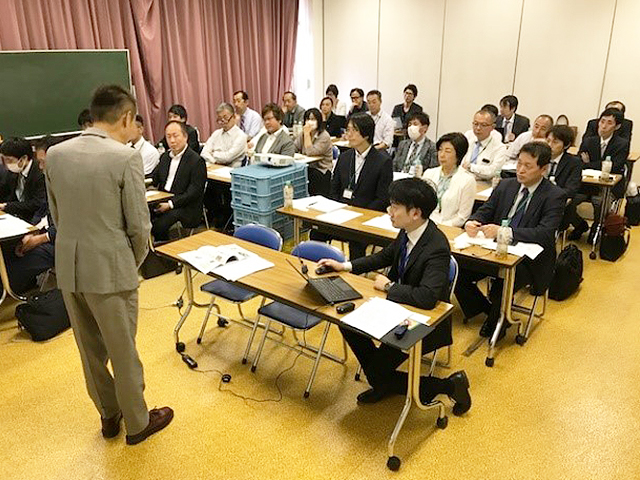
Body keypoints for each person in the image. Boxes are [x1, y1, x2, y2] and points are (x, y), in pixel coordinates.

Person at [45, 84, 173, 445]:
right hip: (111, 267)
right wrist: (128, 263)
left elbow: (56, 214)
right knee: (122, 350)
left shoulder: (55, 154)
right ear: (127, 117)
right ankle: (137, 422)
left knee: (89, 351)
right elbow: (138, 226)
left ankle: (108, 415)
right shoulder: (124, 157)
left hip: (69, 267)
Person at [317, 178, 471, 412]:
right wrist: (345, 266)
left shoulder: (436, 246)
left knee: (378, 371)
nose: (390, 211)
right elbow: (384, 257)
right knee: (346, 322)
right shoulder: (408, 231)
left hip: (423, 321)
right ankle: (383, 381)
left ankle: (449, 386)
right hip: (397, 309)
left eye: (395, 207)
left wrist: (389, 287)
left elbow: (428, 297)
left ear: (415, 213)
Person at [455, 142, 566, 340]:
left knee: (502, 283)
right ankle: (489, 311)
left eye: (528, 166)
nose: (521, 170)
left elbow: (545, 233)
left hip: (529, 258)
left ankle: (498, 320)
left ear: (543, 169)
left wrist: (506, 231)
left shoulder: (554, 195)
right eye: (519, 164)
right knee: (457, 270)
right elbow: (487, 210)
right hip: (493, 248)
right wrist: (473, 221)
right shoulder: (507, 185)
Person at [330, 113, 393, 259]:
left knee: (356, 242)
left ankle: (354, 279)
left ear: (365, 134)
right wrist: (338, 209)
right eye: (347, 130)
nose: (348, 135)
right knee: (316, 231)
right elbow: (334, 187)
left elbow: (383, 198)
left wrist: (360, 214)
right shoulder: (344, 157)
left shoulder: (382, 161)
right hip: (341, 215)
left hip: (365, 218)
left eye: (353, 130)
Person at [4, 137, 56, 294]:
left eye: (43, 162)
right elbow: (42, 210)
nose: (40, 167)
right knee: (10, 250)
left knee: (22, 261)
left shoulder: (72, 185)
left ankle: (14, 289)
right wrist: (31, 231)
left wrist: (38, 239)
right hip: (43, 232)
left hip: (60, 241)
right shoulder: (50, 179)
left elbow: (70, 225)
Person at [569, 108, 630, 241]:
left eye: (609, 123)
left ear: (617, 126)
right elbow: (580, 162)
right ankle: (580, 225)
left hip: (608, 187)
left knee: (600, 203)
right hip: (586, 185)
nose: (603, 126)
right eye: (602, 121)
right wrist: (599, 164)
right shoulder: (589, 141)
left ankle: (597, 229)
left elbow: (615, 166)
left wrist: (590, 163)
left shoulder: (622, 144)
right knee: (567, 200)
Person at [151, 121, 207, 241]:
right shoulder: (165, 157)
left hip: (185, 206)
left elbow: (193, 192)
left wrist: (170, 204)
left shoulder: (196, 161)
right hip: (164, 199)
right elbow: (154, 178)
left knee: (159, 225)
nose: (172, 141)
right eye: (168, 137)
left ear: (185, 137)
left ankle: (163, 251)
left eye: (175, 136)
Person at [422, 132, 476, 227]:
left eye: (447, 151)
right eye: (440, 150)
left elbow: (462, 217)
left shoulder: (467, 180)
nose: (442, 155)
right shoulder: (429, 174)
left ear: (458, 154)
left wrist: (441, 227)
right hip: (425, 225)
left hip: (449, 228)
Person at [0, 137, 47, 224]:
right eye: (3, 160)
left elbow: (37, 203)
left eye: (9, 160)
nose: (5, 164)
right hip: (16, 217)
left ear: (24, 159)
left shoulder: (40, 173)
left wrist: (7, 206)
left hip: (35, 219)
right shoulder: (12, 172)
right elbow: (5, 191)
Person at [545, 125, 582, 230]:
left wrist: (553, 194)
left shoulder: (574, 163)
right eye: (548, 141)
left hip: (558, 202)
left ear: (566, 145)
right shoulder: (540, 158)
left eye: (555, 142)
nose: (549, 145)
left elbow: (571, 189)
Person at [294, 108, 332, 196]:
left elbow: (310, 152)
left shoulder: (324, 135)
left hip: (321, 169)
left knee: (312, 176)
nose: (310, 122)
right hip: (306, 166)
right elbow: (294, 147)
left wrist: (307, 134)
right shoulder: (303, 134)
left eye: (313, 119)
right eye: (308, 119)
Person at [461, 110, 507, 181]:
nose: (478, 128)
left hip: (485, 184)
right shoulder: (469, 143)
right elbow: (461, 166)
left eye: (483, 125)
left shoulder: (500, 148)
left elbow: (492, 171)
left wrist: (470, 167)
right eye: (475, 124)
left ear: (492, 127)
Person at [200, 103, 247, 168]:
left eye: (225, 118)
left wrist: (213, 153)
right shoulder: (216, 133)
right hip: (214, 168)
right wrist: (214, 162)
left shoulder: (241, 136)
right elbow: (204, 152)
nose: (223, 121)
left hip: (231, 172)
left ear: (234, 117)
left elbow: (228, 157)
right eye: (220, 119)